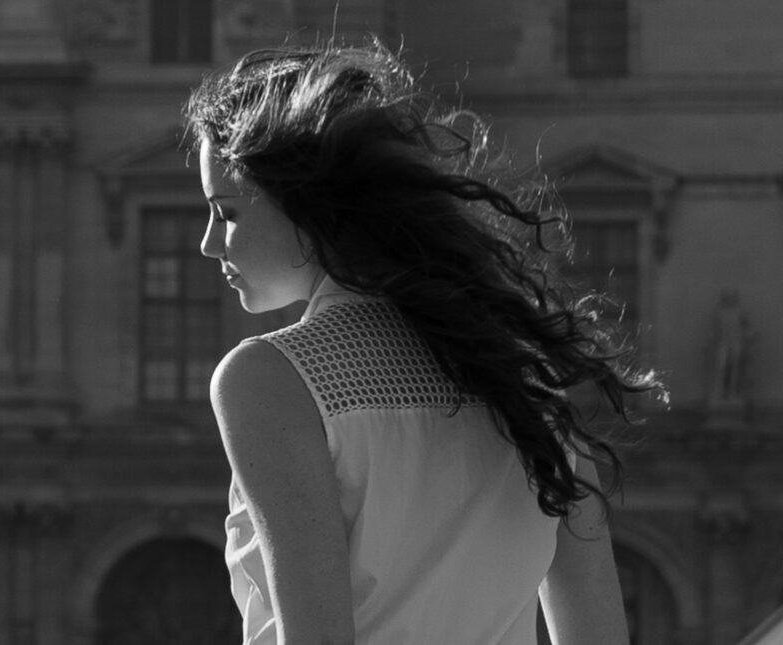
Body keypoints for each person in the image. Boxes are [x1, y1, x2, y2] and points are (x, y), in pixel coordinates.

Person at [186, 39, 664, 645]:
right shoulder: (524, 375)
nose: (208, 242)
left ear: (302, 201)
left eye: (225, 211)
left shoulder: (270, 377)